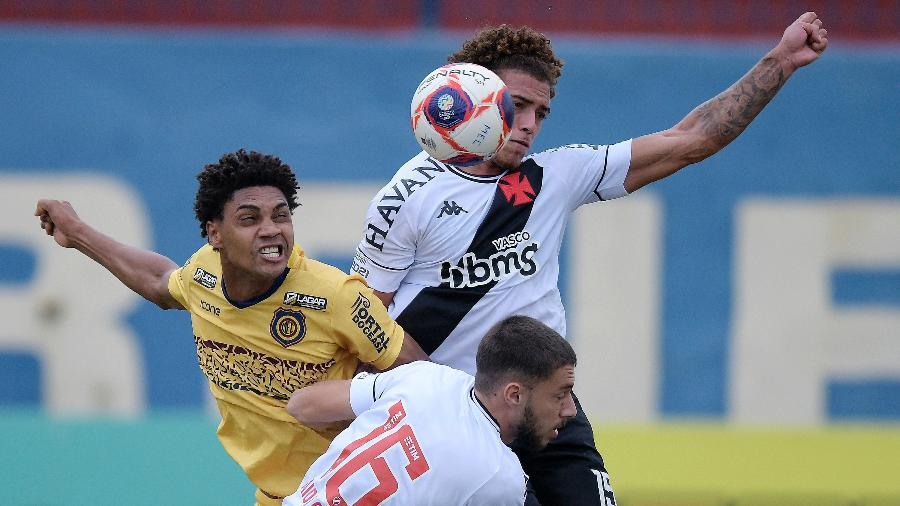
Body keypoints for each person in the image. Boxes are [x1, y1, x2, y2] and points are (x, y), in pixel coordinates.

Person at [351, 12, 828, 506]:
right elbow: (364, 322)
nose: (531, 125)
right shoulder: (405, 199)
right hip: (455, 417)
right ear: (475, 99)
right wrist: (429, 394)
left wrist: (782, 60)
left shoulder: (556, 176)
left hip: (547, 409)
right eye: (518, 106)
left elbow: (690, 140)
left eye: (542, 112)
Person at [35, 149, 428, 505]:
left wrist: (358, 402)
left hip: (353, 490)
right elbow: (160, 282)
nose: (272, 229)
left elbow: (423, 378)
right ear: (215, 234)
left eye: (281, 215)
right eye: (249, 219)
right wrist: (78, 233)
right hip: (278, 495)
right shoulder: (203, 272)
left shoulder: (336, 296)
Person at [282, 315, 578, 506]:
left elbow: (301, 405)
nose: (571, 410)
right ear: (514, 394)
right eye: (560, 395)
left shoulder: (423, 377)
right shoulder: (501, 477)